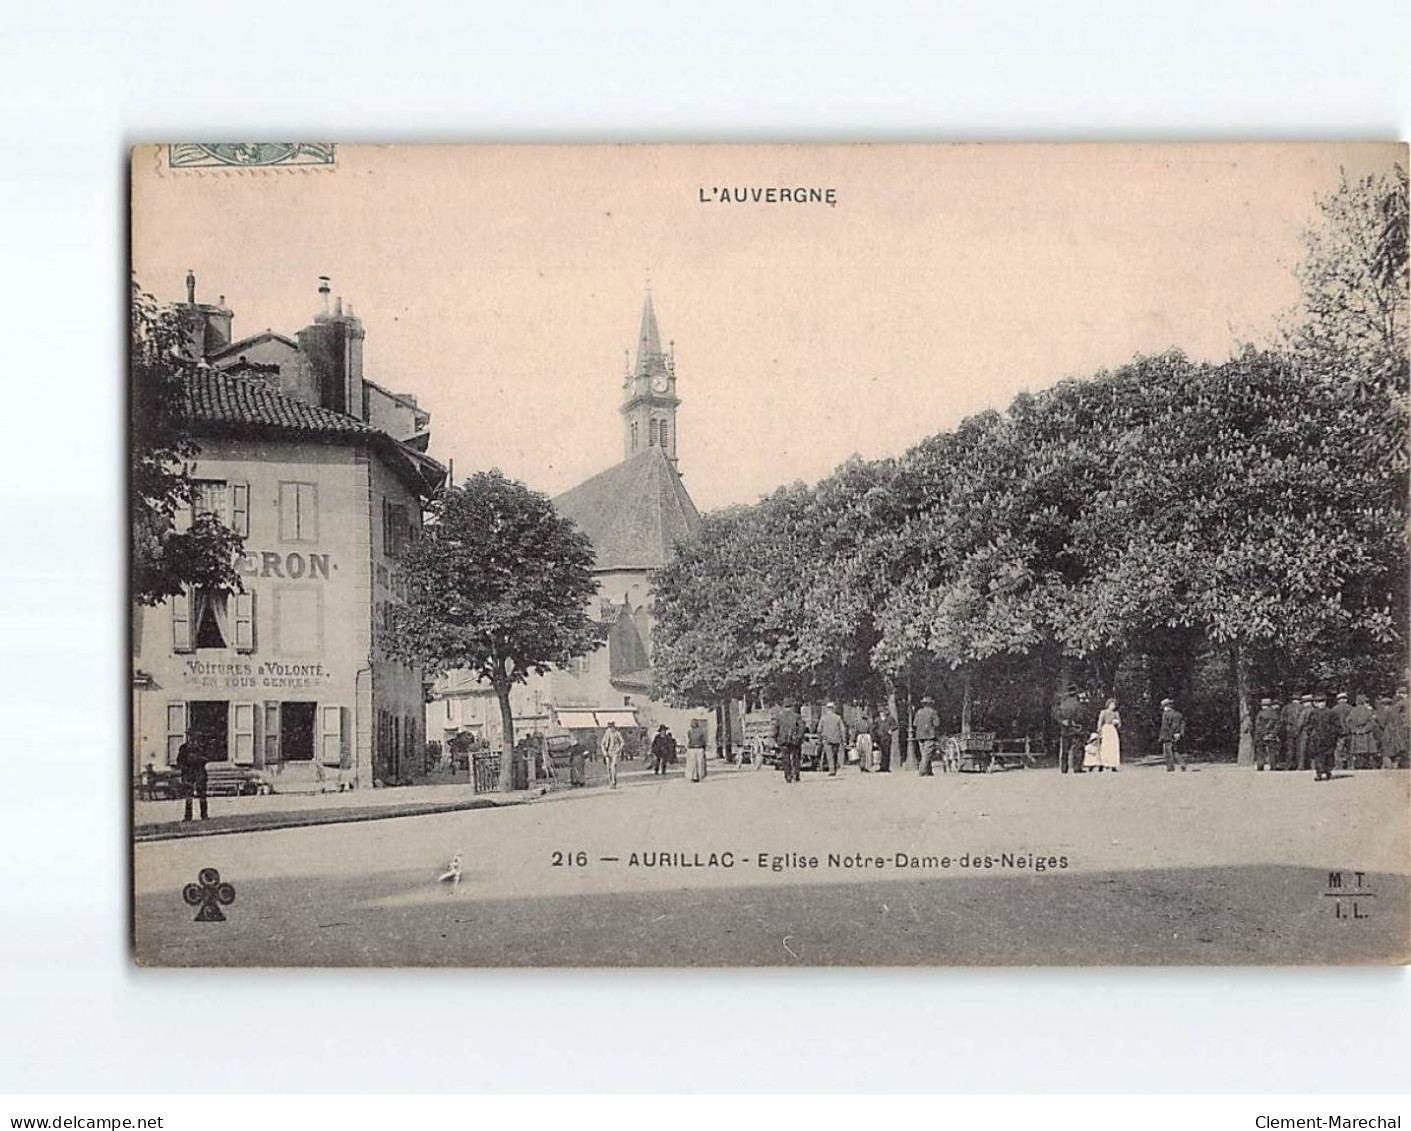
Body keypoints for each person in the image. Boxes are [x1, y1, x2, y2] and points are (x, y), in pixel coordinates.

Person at [1309, 693, 1342, 782]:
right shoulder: (1313, 713)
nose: (1321, 704)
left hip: (1329, 738)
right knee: (1318, 756)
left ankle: (1328, 771)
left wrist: (1334, 733)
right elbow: (1309, 725)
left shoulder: (1331, 712)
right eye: (1319, 702)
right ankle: (1319, 773)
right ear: (1315, 703)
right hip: (1317, 738)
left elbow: (1337, 725)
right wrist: (1310, 734)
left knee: (1329, 756)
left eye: (1323, 701)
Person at [1053, 685, 1085, 774]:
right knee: (1077, 749)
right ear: (1076, 694)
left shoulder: (1062, 704)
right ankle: (1077, 767)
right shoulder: (1078, 705)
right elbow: (1080, 717)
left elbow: (1056, 715)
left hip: (1065, 729)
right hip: (1075, 729)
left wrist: (1062, 721)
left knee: (1065, 750)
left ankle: (1064, 768)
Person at [176, 739, 209, 822]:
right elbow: (179, 761)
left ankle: (204, 815)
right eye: (191, 736)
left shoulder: (201, 747)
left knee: (202, 794)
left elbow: (206, 758)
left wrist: (197, 759)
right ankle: (188, 816)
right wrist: (185, 766)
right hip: (188, 773)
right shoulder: (184, 748)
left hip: (199, 772)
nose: (193, 740)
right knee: (188, 795)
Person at [773, 700, 805, 784]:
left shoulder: (779, 717)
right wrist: (798, 738)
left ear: (784, 707)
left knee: (785, 759)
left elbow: (775, 729)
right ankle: (796, 775)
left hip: (783, 741)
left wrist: (776, 739)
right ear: (791, 707)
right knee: (796, 758)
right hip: (794, 741)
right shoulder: (797, 716)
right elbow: (802, 728)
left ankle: (788, 776)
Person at [1346, 694, 1378, 770]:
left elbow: (1348, 721)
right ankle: (1366, 765)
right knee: (1367, 750)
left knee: (1358, 751)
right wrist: (1365, 729)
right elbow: (1372, 723)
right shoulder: (1368, 711)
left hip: (1357, 734)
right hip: (1366, 734)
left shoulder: (1353, 711)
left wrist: (1355, 729)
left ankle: (1358, 765)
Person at [913, 695, 941, 776]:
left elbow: (914, 723)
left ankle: (928, 771)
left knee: (923, 753)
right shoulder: (933, 712)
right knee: (927, 753)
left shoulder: (918, 712)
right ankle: (922, 771)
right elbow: (937, 724)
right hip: (929, 735)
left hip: (919, 735)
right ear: (930, 704)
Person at [818, 702, 846, 776]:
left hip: (826, 739)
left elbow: (819, 729)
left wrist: (820, 738)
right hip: (836, 739)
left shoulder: (823, 718)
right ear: (833, 709)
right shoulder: (838, 718)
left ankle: (832, 770)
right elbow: (843, 729)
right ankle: (834, 768)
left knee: (829, 755)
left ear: (827, 709)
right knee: (835, 754)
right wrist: (843, 739)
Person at [1160, 697, 1188, 771]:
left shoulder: (1165, 714)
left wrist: (1162, 737)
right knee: (1176, 751)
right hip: (1177, 735)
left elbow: (1165, 727)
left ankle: (1170, 767)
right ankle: (1182, 763)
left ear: (1166, 706)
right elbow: (1183, 725)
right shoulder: (1179, 714)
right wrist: (1180, 734)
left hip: (1168, 736)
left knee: (1168, 752)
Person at [1255, 696, 1282, 772]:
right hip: (1271, 736)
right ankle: (1273, 766)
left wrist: (1263, 734)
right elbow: (1278, 725)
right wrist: (1272, 734)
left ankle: (1260, 766)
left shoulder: (1260, 713)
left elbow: (1258, 725)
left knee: (1260, 750)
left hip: (1261, 736)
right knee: (1272, 751)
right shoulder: (1275, 713)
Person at [1096, 698, 1121, 772]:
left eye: (1114, 705)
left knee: (1113, 746)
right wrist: (1099, 730)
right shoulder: (1103, 712)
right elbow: (1100, 721)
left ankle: (1113, 764)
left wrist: (1116, 723)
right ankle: (1103, 764)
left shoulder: (1116, 713)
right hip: (1106, 729)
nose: (1113, 706)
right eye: (1111, 704)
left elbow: (1119, 723)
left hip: (1112, 730)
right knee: (1105, 746)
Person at [1280, 693, 1302, 771]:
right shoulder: (1301, 707)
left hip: (1289, 729)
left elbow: (1282, 720)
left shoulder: (1286, 708)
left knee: (1289, 748)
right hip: (1299, 729)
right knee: (1299, 747)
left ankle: (1289, 764)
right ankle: (1298, 764)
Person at [599, 722, 624, 790]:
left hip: (615, 752)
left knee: (613, 767)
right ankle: (610, 782)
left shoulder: (617, 733)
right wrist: (604, 752)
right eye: (610, 727)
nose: (611, 728)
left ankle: (614, 782)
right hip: (608, 752)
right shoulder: (606, 734)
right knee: (608, 768)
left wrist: (619, 749)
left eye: (612, 726)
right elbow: (602, 743)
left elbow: (622, 742)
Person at [872, 706, 897, 773]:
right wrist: (874, 739)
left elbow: (895, 726)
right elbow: (873, 729)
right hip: (879, 738)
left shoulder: (890, 719)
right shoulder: (877, 720)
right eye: (880, 712)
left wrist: (891, 729)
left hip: (887, 738)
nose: (881, 713)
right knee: (881, 753)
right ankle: (881, 767)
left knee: (887, 753)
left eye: (883, 712)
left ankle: (886, 767)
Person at [1333, 691, 1352, 771]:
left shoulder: (1334, 709)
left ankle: (1338, 765)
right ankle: (1350, 765)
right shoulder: (1350, 708)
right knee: (1350, 749)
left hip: (1339, 732)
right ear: (1346, 699)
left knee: (1338, 750)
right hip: (1349, 731)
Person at [686, 717, 709, 782]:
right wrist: (704, 747)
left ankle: (694, 776)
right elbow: (704, 740)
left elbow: (688, 740)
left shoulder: (689, 732)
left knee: (693, 763)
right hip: (699, 748)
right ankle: (700, 775)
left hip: (692, 748)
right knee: (700, 763)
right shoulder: (701, 732)